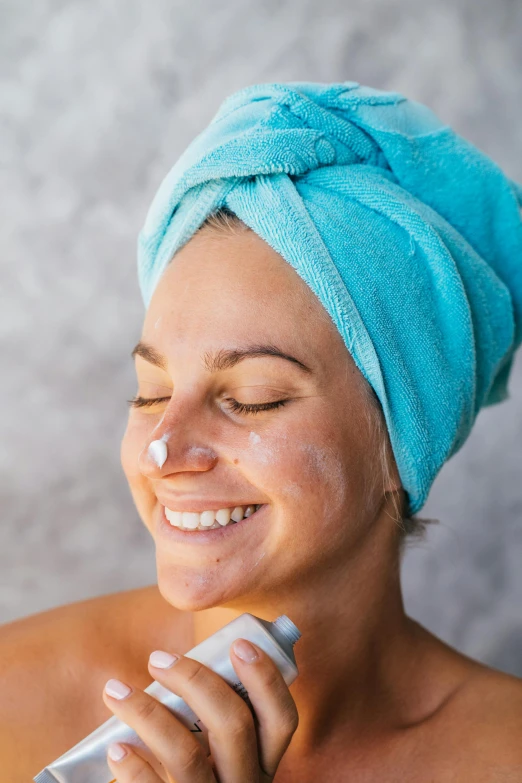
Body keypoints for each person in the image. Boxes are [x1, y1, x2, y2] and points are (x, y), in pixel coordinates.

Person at [2, 81, 522, 783]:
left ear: (401, 445)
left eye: (251, 398)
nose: (164, 449)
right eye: (151, 392)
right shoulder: (16, 702)